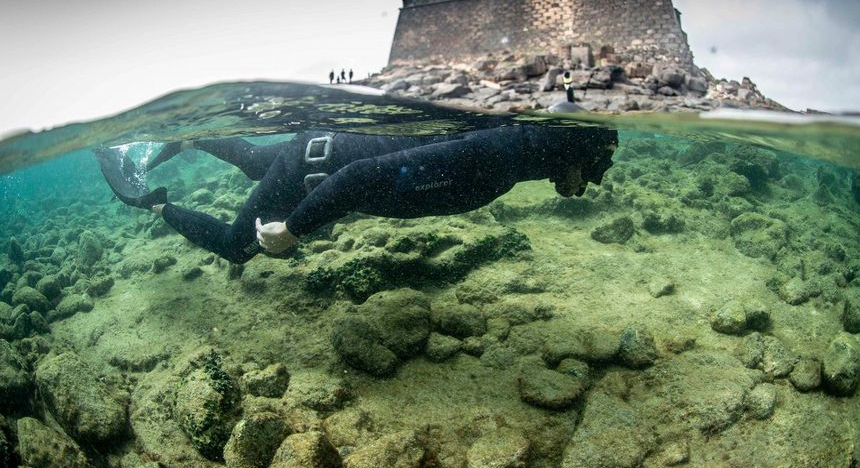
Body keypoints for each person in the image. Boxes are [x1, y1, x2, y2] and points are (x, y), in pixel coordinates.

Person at [100, 126, 618, 264]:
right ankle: (157, 204)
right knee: (241, 245)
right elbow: (363, 179)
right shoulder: (498, 159)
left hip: (322, 148)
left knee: (260, 163)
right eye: (598, 162)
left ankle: (192, 136)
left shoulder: (512, 146)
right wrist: (294, 230)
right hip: (322, 165)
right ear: (571, 146)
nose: (597, 179)